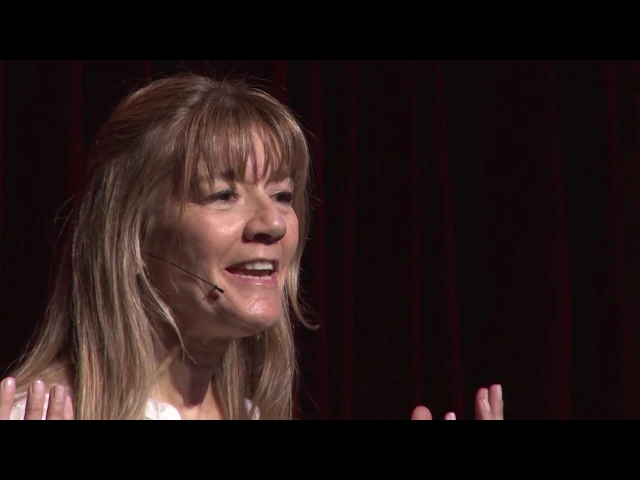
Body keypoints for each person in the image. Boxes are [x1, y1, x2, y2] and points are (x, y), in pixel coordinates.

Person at [0, 72, 503, 420]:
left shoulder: (247, 412)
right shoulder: (45, 412)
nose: (274, 223)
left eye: (283, 195)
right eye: (223, 195)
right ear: (131, 233)